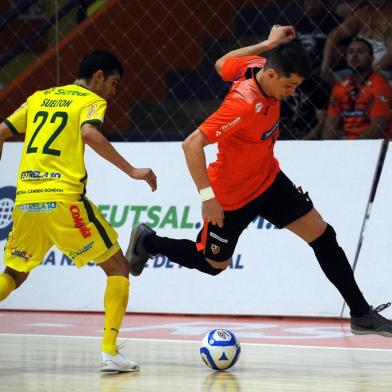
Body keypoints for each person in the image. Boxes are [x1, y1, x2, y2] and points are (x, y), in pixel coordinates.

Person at [127, 26, 392, 337]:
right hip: (231, 195)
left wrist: (268, 43)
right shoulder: (242, 104)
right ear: (271, 75)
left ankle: (361, 314)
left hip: (268, 179)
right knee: (213, 264)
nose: (292, 93)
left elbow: (221, 64)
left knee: (323, 235)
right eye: (290, 86)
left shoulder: (256, 66)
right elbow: (191, 144)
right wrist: (207, 197)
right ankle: (148, 241)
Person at [0, 50, 157, 372]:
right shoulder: (89, 100)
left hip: (27, 200)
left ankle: (111, 351)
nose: (114, 91)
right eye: (113, 82)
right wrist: (131, 170)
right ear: (98, 76)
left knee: (14, 275)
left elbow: (1, 131)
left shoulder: (39, 98)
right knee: (118, 268)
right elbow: (88, 133)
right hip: (64, 199)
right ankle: (110, 351)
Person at [323, 38, 392, 139]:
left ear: (372, 58)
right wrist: (329, 149)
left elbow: (378, 129)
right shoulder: (340, 87)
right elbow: (330, 127)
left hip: (374, 147)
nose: (354, 56)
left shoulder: (380, 86)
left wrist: (352, 149)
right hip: (348, 146)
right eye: (350, 52)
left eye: (360, 52)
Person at [321, 0, 392, 82]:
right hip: (357, 70)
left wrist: (369, 73)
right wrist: (325, 67)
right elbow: (333, 36)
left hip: (383, 71)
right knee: (331, 80)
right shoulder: (364, 12)